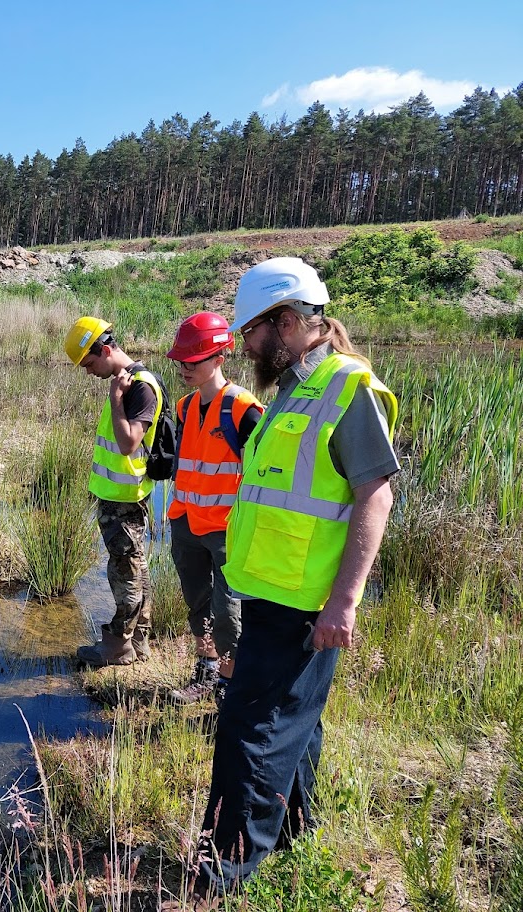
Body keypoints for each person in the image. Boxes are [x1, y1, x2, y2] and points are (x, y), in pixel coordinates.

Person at [195, 257, 399, 894]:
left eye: (252, 332)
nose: (246, 345)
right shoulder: (292, 390)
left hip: (305, 604)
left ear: (287, 323)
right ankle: (295, 839)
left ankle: (222, 875)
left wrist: (344, 601)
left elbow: (376, 494)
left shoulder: (347, 387)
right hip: (269, 592)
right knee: (294, 722)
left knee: (247, 735)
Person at [163, 312, 263, 707]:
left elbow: (263, 477)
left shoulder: (243, 409)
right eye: (181, 360)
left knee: (229, 615)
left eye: (194, 359)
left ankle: (229, 690)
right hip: (185, 523)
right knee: (198, 604)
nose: (185, 367)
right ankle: (206, 672)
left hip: (226, 531)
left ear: (220, 357)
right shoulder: (185, 407)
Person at [63, 316, 167, 666]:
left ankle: (118, 647)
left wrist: (116, 399)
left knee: (125, 571)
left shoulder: (139, 387)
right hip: (119, 496)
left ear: (106, 349)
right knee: (135, 567)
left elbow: (128, 442)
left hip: (125, 499)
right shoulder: (131, 383)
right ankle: (138, 643)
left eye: (90, 363)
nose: (89, 372)